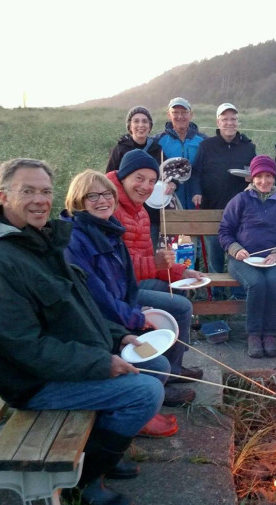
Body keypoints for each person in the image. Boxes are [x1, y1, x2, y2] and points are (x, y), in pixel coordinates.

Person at [0, 158, 164, 505]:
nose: (40, 200)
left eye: (45, 191)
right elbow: (24, 348)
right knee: (145, 391)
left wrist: (119, 337)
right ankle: (83, 481)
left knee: (148, 367)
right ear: (3, 196)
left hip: (59, 365)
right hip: (33, 382)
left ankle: (101, 454)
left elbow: (82, 307)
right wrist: (101, 363)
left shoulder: (38, 242)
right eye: (28, 191)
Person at [62, 168, 196, 421]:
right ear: (78, 201)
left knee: (176, 305)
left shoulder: (112, 226)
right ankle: (150, 396)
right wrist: (133, 319)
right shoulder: (77, 239)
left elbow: (127, 281)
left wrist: (138, 307)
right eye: (93, 196)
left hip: (122, 303)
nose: (102, 201)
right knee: (171, 320)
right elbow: (97, 295)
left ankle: (168, 378)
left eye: (105, 195)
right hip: (98, 324)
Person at [107, 149, 206, 398]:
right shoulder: (109, 206)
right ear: (124, 176)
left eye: (152, 181)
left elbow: (152, 262)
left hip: (134, 283)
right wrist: (157, 264)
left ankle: (172, 368)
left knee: (176, 292)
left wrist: (182, 270)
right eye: (139, 178)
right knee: (180, 307)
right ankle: (163, 379)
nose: (146, 186)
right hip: (117, 291)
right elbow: (119, 267)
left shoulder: (139, 209)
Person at [219, 155, 276, 358]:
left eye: (268, 176)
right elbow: (225, 231)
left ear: (274, 178)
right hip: (242, 259)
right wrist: (235, 249)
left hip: (274, 259)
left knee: (272, 281)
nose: (264, 181)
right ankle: (253, 334)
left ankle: (270, 333)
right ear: (252, 178)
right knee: (256, 283)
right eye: (259, 176)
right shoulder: (241, 200)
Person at [190, 102, 256, 298]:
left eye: (233, 119)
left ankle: (238, 295)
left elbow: (255, 174)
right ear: (218, 122)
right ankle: (216, 295)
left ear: (238, 122)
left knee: (239, 255)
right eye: (225, 119)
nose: (229, 122)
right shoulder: (206, 146)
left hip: (240, 212)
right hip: (213, 208)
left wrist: (251, 179)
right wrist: (196, 191)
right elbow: (195, 174)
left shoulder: (248, 146)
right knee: (215, 256)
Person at [105, 106, 171, 249]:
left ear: (150, 126)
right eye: (136, 121)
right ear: (130, 126)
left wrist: (173, 183)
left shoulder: (157, 149)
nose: (140, 125)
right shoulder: (120, 149)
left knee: (148, 249)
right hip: (124, 211)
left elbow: (167, 171)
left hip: (152, 211)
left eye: (145, 121)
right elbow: (108, 179)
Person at [156, 97, 207, 210]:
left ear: (191, 115)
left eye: (184, 112)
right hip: (169, 203)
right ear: (169, 115)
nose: (180, 116)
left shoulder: (203, 141)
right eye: (175, 112)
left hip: (199, 203)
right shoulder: (158, 141)